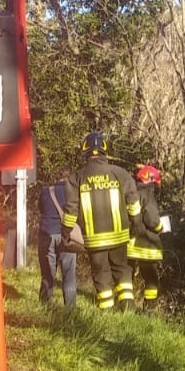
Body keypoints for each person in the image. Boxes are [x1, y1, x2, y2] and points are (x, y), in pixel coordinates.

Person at [61, 132, 153, 311]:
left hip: (95, 240)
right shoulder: (121, 174)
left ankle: (107, 310)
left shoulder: (76, 178)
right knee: (122, 270)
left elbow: (71, 210)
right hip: (120, 236)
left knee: (101, 273)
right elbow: (133, 203)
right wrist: (136, 224)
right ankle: (128, 307)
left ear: (84, 151)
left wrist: (66, 230)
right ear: (105, 151)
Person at [128, 163, 168, 310]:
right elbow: (151, 219)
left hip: (130, 243)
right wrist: (160, 227)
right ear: (151, 181)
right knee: (151, 278)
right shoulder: (148, 195)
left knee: (127, 276)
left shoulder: (130, 193)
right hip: (146, 244)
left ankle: (125, 306)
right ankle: (149, 309)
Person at [37, 171, 78, 308]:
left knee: (47, 273)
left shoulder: (45, 191)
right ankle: (70, 309)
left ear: (56, 178)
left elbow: (41, 209)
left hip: (47, 233)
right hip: (66, 235)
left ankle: (45, 305)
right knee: (69, 274)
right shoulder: (72, 192)